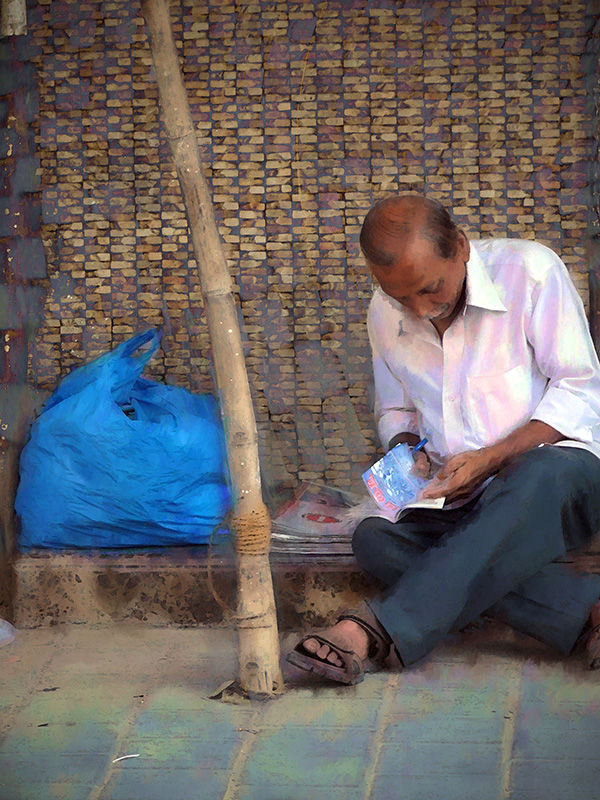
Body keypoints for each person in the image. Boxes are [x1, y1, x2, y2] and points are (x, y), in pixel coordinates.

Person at [287, 192, 600, 685]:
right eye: (401, 296)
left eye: (431, 289)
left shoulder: (531, 273)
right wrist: (407, 454)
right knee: (373, 540)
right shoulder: (384, 312)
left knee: (541, 471)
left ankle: (371, 630)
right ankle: (589, 613)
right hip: (460, 496)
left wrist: (492, 458)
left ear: (460, 246)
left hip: (558, 478)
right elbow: (397, 409)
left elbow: (581, 391)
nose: (419, 307)